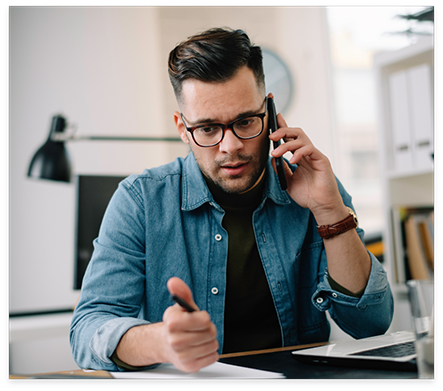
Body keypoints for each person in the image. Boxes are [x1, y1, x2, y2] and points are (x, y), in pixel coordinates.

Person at [70, 27, 393, 373]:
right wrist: (162, 341)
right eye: (208, 129)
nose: (231, 146)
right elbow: (88, 330)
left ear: (268, 113)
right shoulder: (140, 201)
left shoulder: (317, 187)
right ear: (182, 128)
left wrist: (330, 211)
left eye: (245, 121)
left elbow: (371, 323)